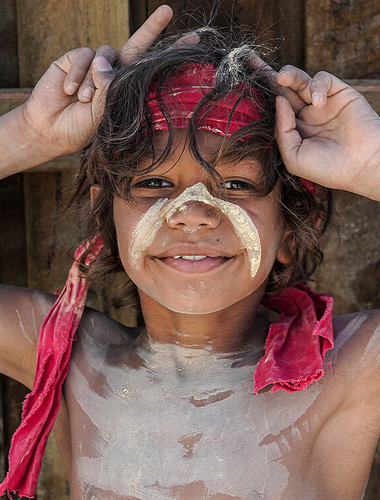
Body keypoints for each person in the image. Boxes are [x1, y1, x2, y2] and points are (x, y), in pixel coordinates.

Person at [0, 5, 380, 500]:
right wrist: (27, 135)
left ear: (291, 228)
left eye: (237, 184)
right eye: (154, 182)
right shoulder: (69, 359)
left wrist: (372, 163)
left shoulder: (352, 369)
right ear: (107, 221)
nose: (192, 213)